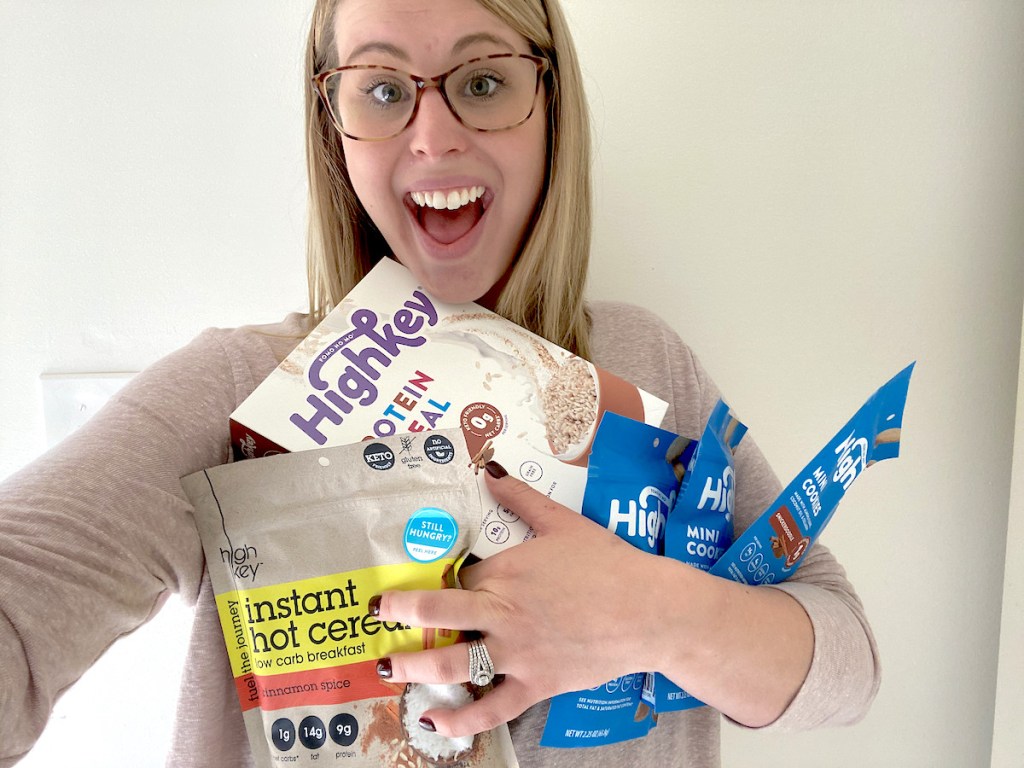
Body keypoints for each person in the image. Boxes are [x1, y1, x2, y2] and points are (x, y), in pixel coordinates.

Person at [0, 0, 879, 766]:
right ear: (332, 124)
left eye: (484, 81)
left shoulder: (644, 362)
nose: (433, 135)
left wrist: (649, 612)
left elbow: (847, 667)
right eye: (382, 90)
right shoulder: (241, 387)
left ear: (552, 107)